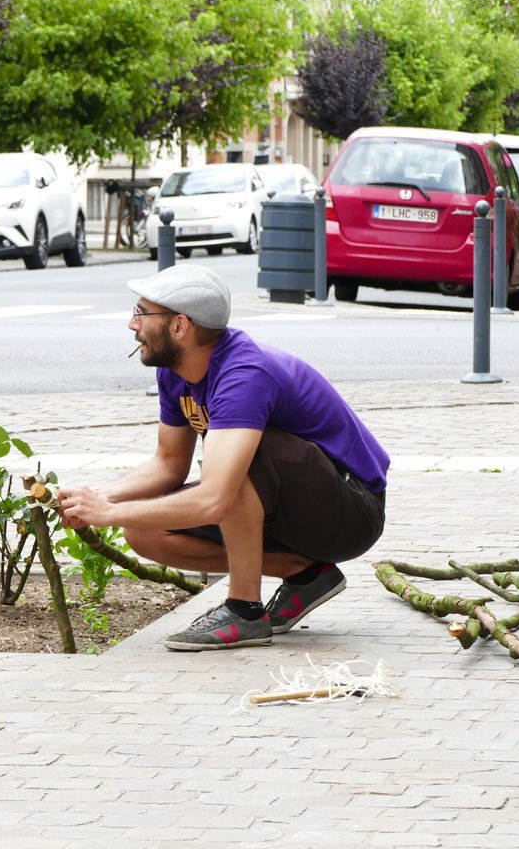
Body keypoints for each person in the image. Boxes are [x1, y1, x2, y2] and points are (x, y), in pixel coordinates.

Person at [57, 265, 388, 651]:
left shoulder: (244, 374)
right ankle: (306, 574)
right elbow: (168, 464)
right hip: (290, 506)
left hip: (351, 511)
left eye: (141, 312)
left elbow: (215, 497)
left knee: (235, 461)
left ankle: (244, 611)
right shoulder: (175, 371)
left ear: (179, 325)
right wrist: (98, 498)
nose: (133, 324)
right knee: (142, 528)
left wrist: (107, 514)